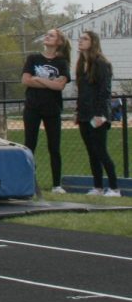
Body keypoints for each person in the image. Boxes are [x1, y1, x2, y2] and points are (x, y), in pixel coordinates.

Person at [22, 28, 72, 194]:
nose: (47, 37)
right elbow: (26, 80)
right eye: (47, 34)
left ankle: (57, 184)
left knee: (54, 146)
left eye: (51, 35)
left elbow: (60, 85)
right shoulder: (33, 58)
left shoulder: (62, 62)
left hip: (52, 108)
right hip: (33, 107)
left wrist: (39, 79)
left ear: (58, 42)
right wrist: (47, 82)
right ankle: (28, 181)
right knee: (30, 144)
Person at [75, 30, 121, 197]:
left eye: (85, 39)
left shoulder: (102, 64)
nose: (81, 41)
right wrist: (78, 113)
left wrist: (101, 114)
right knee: (91, 152)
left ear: (93, 42)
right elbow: (82, 92)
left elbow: (104, 91)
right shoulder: (81, 65)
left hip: (97, 116)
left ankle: (115, 188)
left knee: (101, 151)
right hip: (84, 115)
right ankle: (98, 187)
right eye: (80, 39)